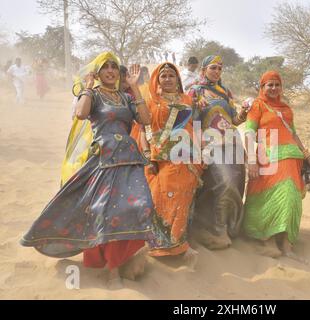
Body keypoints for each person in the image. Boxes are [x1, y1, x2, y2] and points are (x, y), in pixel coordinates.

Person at [21, 52, 158, 289]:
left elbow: (145, 119)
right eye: (105, 68)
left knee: (142, 206)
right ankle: (112, 270)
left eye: (114, 67)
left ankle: (127, 258)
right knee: (105, 212)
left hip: (129, 160)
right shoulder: (93, 95)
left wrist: (135, 89)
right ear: (98, 72)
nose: (111, 71)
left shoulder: (125, 97)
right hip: (103, 160)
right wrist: (87, 86)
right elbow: (81, 114)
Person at [131, 62, 203, 268]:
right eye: (164, 76)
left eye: (172, 75)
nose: (168, 79)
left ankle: (178, 244)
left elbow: (193, 125)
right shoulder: (151, 101)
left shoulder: (188, 99)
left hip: (187, 158)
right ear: (157, 79)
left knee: (183, 198)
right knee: (159, 196)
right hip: (158, 158)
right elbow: (143, 129)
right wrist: (146, 154)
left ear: (178, 80)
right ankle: (157, 245)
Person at [243, 71, 310, 261]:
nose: (274, 88)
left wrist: (307, 154)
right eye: (270, 85)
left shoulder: (286, 109)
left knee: (292, 199)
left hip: (292, 159)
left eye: (277, 84)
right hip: (268, 157)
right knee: (270, 199)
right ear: (262, 87)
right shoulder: (257, 106)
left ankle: (287, 245)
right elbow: (249, 133)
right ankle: (267, 239)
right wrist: (251, 158)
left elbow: (293, 134)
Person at [188, 55, 249, 249]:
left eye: (220, 68)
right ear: (204, 69)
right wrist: (198, 148)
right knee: (224, 182)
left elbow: (234, 120)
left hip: (232, 143)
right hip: (209, 144)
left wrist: (244, 113)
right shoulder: (195, 91)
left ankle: (227, 228)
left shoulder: (225, 92)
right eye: (213, 67)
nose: (217, 71)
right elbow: (190, 120)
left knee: (236, 182)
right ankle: (215, 229)